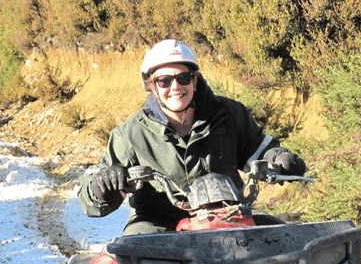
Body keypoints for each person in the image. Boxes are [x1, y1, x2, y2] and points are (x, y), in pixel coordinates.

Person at [77, 39, 307, 235]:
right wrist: (102, 185)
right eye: (164, 81)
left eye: (183, 78)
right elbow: (90, 201)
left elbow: (257, 148)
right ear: (151, 86)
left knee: (284, 240)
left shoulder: (228, 114)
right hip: (159, 222)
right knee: (130, 262)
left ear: (195, 81)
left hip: (229, 213)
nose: (175, 87)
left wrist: (278, 157)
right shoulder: (130, 134)